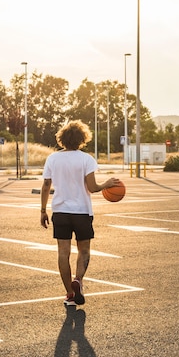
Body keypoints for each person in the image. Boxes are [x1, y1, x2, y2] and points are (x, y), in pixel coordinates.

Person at [40, 119, 120, 306]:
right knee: (83, 250)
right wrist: (106, 184)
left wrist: (43, 210)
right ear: (82, 139)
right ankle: (78, 280)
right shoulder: (86, 159)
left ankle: (69, 292)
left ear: (62, 138)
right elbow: (92, 188)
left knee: (63, 253)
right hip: (82, 212)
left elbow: (45, 186)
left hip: (60, 211)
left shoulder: (53, 158)